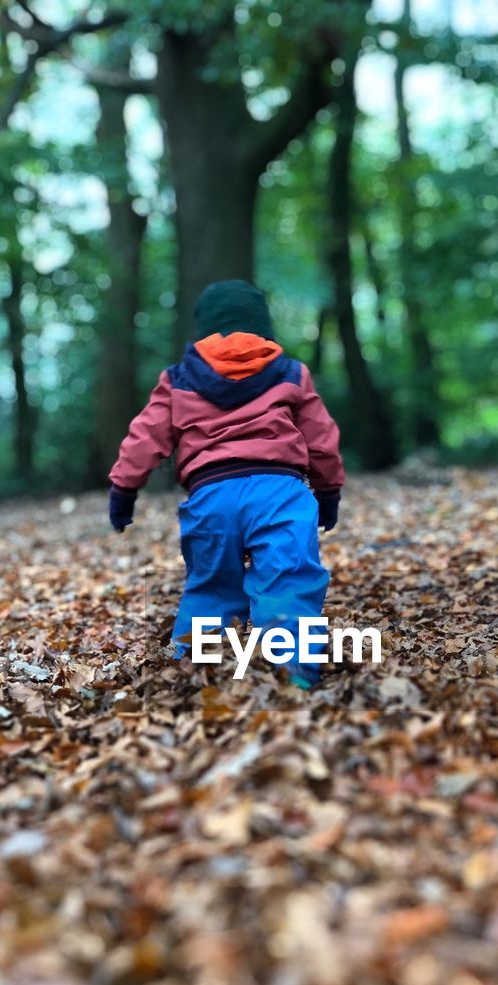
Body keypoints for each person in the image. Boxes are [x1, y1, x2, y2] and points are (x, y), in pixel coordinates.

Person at [108, 279, 346, 689]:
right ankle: (295, 675)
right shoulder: (290, 373)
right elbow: (321, 438)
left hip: (211, 497)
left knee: (212, 586)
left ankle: (192, 675)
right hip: (279, 494)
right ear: (264, 327)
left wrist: (124, 490)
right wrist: (328, 493)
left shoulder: (180, 378)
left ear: (203, 329)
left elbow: (145, 437)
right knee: (289, 580)